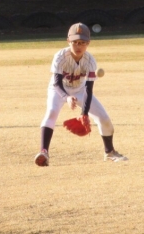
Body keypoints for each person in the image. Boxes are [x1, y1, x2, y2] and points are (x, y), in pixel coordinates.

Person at [34, 23, 127, 166]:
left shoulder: (90, 61)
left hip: (80, 90)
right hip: (58, 89)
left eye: (83, 43)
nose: (79, 46)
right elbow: (57, 83)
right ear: (68, 41)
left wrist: (84, 114)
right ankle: (44, 152)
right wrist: (66, 97)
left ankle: (109, 152)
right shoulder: (60, 57)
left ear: (88, 43)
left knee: (104, 118)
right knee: (51, 112)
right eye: (75, 42)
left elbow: (89, 90)